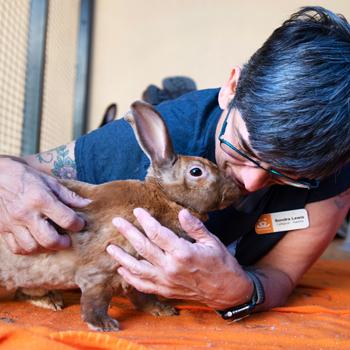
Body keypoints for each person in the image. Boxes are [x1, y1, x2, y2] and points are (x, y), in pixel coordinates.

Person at [1, 6, 350, 320]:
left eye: (288, 174)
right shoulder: (129, 146)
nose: (252, 182)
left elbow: (282, 274)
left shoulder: (330, 174)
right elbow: (21, 173)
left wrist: (241, 292)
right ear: (232, 86)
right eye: (243, 148)